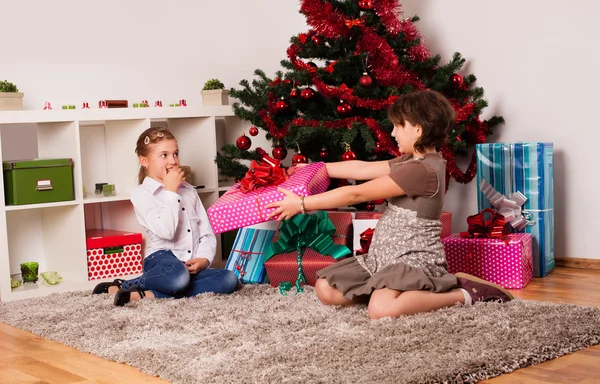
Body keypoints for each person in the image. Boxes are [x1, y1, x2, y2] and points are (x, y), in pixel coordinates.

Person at [266, 90, 513, 319]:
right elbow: (362, 167)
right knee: (326, 289)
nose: (393, 133)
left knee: (381, 310)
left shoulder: (422, 170)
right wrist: (318, 168)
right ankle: (387, 293)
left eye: (397, 126)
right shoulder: (411, 161)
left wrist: (302, 204)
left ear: (418, 129)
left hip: (412, 260)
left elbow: (356, 194)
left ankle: (464, 293)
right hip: (383, 258)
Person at [93, 127, 239, 306]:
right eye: (164, 155)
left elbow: (206, 233)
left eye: (175, 154)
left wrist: (204, 259)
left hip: (188, 266)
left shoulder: (190, 191)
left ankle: (146, 294)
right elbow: (166, 231)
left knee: (229, 279)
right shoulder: (141, 194)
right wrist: (171, 191)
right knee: (177, 278)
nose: (173, 161)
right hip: (161, 261)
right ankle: (132, 283)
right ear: (144, 161)